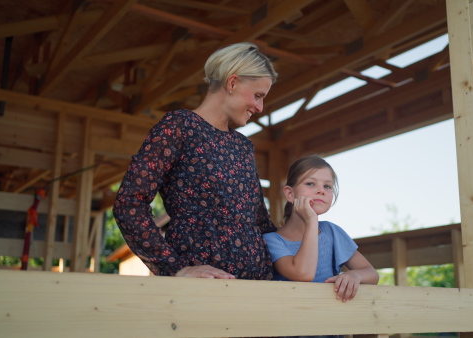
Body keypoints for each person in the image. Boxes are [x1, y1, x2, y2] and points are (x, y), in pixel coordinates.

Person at [113, 42, 278, 280]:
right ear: (232, 83)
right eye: (258, 95)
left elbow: (262, 224)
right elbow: (129, 202)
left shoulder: (244, 147)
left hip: (256, 288)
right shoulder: (179, 126)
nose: (260, 107)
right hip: (199, 291)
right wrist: (174, 268)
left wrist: (325, 244)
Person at [263, 155, 379, 303]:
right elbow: (303, 274)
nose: (321, 190)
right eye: (311, 184)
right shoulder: (271, 240)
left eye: (327, 186)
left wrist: (354, 275)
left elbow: (371, 273)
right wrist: (311, 220)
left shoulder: (332, 232)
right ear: (290, 194)